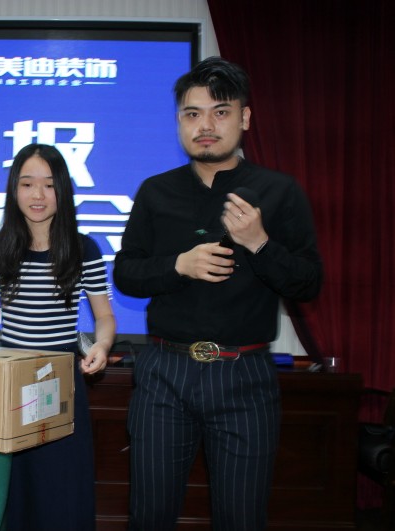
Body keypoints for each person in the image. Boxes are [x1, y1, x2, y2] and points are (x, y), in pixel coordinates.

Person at [112, 56, 323, 530]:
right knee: (149, 515)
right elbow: (126, 274)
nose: (205, 126)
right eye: (193, 114)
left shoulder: (279, 191)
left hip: (245, 374)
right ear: (179, 122)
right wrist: (178, 266)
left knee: (242, 517)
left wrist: (259, 243)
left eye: (220, 112)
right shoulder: (155, 192)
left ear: (244, 118)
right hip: (165, 373)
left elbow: (308, 283)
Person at [0, 143, 116, 530]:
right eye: (28, 184)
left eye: (48, 185)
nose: (38, 195)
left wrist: (102, 344)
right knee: (14, 486)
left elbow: (104, 317)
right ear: (14, 189)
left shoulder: (84, 248)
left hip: (59, 381)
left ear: (62, 190)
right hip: (10, 381)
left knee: (60, 485)